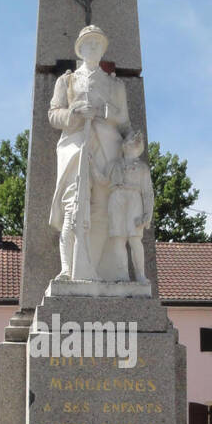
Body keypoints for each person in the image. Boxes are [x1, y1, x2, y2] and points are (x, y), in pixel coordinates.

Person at [48, 24, 130, 281]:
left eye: (98, 44)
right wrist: (74, 113)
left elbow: (124, 120)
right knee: (73, 206)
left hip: (107, 147)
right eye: (88, 44)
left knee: (103, 209)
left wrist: (105, 113)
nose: (93, 47)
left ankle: (93, 268)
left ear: (103, 50)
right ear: (80, 49)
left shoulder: (115, 86)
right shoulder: (67, 81)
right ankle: (69, 269)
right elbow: (53, 114)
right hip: (75, 146)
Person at [106, 128, 154, 283]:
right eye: (127, 140)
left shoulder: (142, 168)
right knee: (118, 239)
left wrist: (148, 214)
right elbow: (102, 180)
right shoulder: (114, 164)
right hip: (116, 198)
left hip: (134, 199)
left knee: (134, 239)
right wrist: (91, 164)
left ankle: (140, 275)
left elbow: (147, 192)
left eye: (132, 140)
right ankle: (122, 276)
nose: (128, 142)